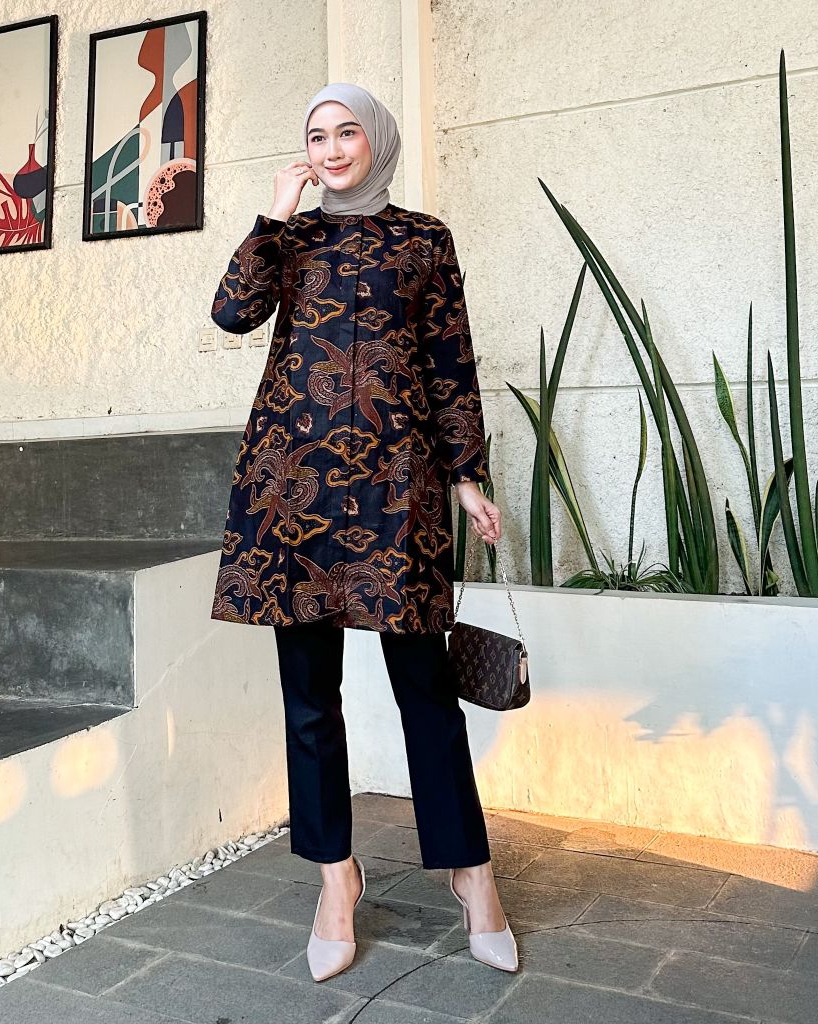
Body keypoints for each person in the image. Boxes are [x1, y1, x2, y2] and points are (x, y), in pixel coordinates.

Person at [209, 82, 517, 982]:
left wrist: (466, 476)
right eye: (318, 135)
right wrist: (274, 216)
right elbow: (231, 313)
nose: (334, 148)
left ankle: (471, 873)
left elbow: (450, 361)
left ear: (376, 139)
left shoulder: (424, 239)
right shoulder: (290, 237)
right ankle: (335, 879)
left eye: (348, 132)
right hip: (293, 489)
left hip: (395, 487)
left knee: (426, 689)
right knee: (310, 698)